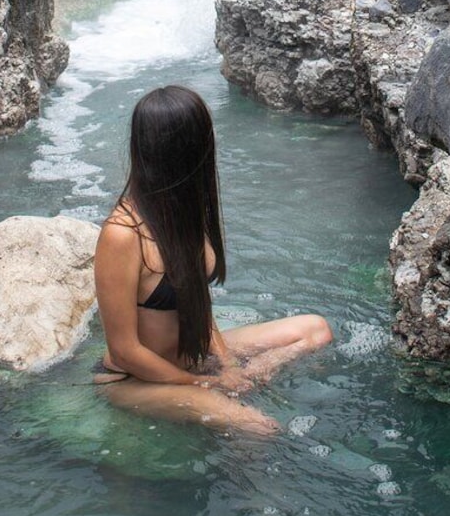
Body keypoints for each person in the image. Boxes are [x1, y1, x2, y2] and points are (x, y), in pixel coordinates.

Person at [93, 85, 333, 435]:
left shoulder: (185, 213)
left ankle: (254, 378)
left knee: (316, 330)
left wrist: (230, 366)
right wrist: (199, 384)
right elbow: (125, 350)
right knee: (259, 428)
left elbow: (198, 309)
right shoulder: (122, 235)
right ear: (186, 152)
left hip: (192, 357)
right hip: (135, 379)